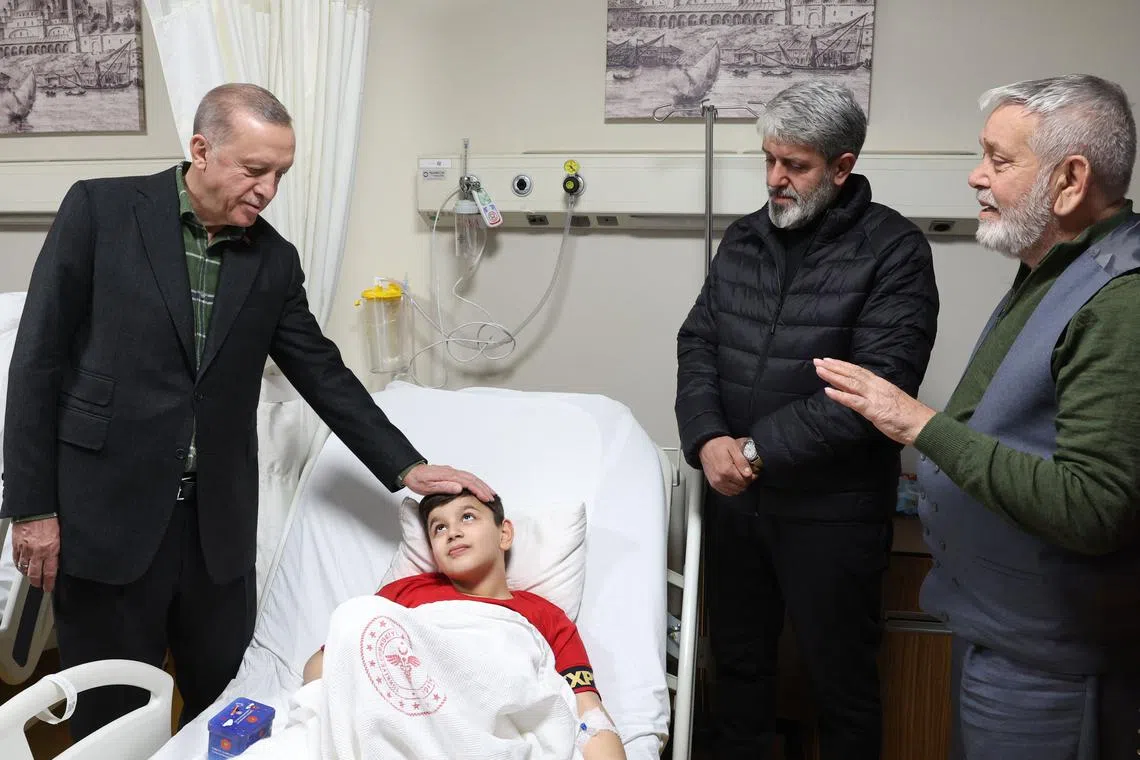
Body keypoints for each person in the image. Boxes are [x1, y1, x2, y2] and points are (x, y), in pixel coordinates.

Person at [0, 83, 493, 740]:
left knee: (228, 707)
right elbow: (37, 359)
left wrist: (407, 466)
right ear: (202, 151)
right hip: (107, 513)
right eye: (255, 169)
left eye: (280, 174)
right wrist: (32, 507)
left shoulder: (274, 261)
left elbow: (321, 370)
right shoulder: (101, 211)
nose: (267, 189)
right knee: (111, 717)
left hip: (215, 532)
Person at [815, 74, 1140, 760]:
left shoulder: (1120, 302)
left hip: (1050, 667)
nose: (975, 176)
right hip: (1003, 635)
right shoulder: (1055, 267)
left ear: (1070, 179)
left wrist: (916, 425)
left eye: (999, 159)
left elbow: (1094, 507)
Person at [674, 80, 938, 759]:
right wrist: (707, 440)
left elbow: (874, 391)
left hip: (833, 513)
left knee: (841, 686)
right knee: (735, 675)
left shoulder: (895, 253)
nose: (774, 179)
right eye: (768, 159)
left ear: (842, 167)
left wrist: (755, 452)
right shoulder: (743, 240)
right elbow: (698, 342)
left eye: (795, 165)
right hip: (735, 506)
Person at [302, 490, 625, 760]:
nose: (452, 531)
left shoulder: (545, 615)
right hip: (403, 722)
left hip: (488, 731)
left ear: (504, 533)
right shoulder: (404, 593)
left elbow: (588, 710)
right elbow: (334, 659)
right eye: (438, 528)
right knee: (355, 611)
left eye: (467, 517)